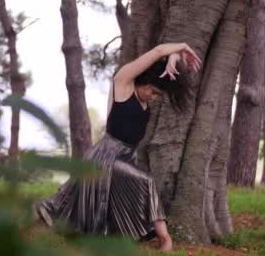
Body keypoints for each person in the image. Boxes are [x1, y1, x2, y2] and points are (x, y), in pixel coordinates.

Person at [36, 43, 202, 251]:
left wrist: (174, 58)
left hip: (126, 157)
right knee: (147, 180)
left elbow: (163, 61)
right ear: (143, 80)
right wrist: (182, 46)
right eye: (152, 90)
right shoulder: (123, 85)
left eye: (158, 95)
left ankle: (137, 236)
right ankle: (164, 237)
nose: (153, 96)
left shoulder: (145, 100)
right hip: (106, 157)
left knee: (137, 186)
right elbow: (157, 52)